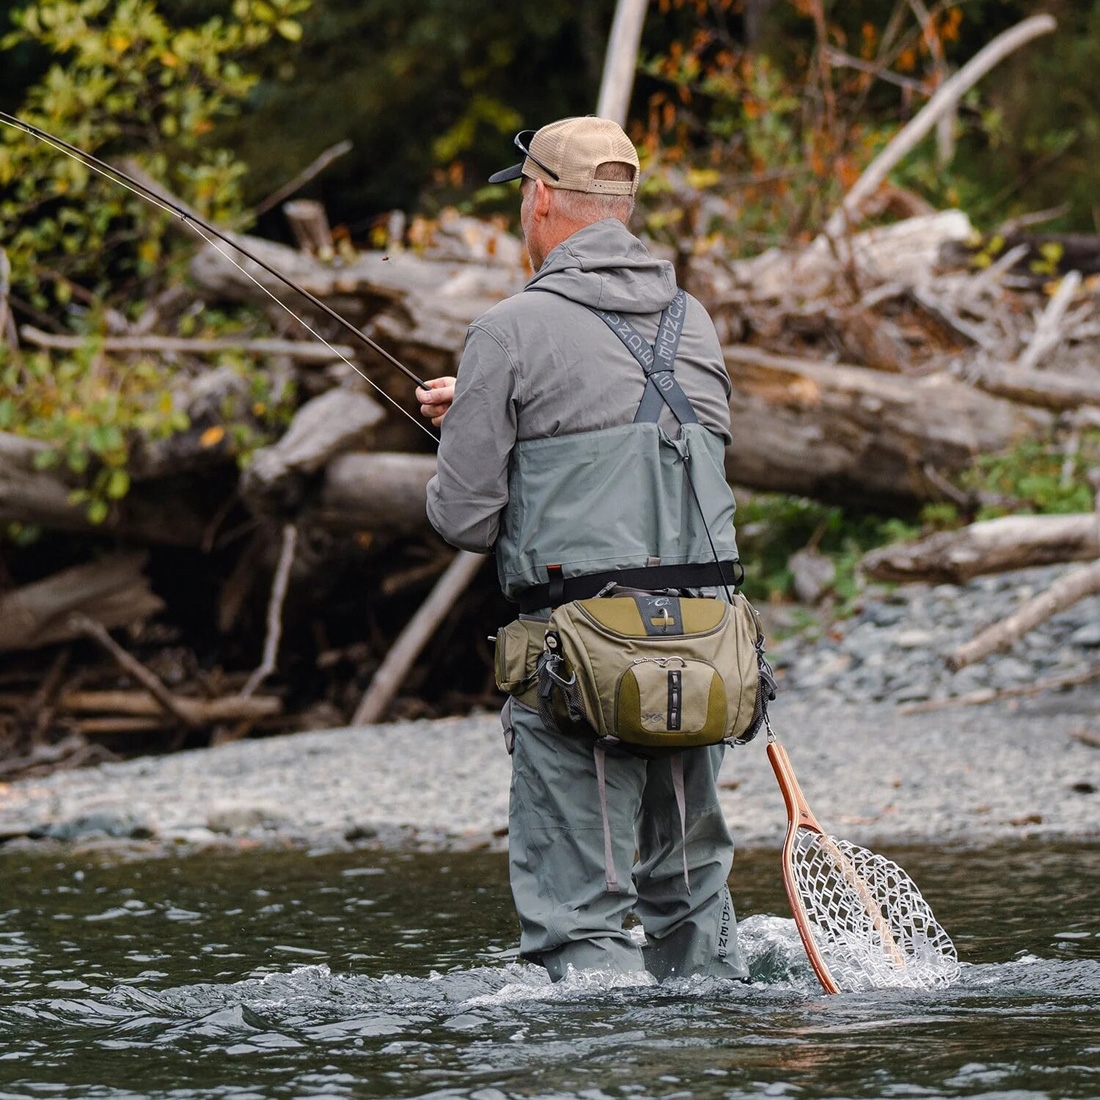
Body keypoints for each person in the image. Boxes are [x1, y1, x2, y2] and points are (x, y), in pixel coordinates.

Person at [418, 116, 750, 984]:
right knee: (692, 903)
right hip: (707, 658)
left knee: (583, 920)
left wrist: (477, 426)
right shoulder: (696, 323)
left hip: (583, 667)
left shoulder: (508, 331)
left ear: (538, 201)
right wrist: (499, 411)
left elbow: (461, 518)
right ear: (622, 205)